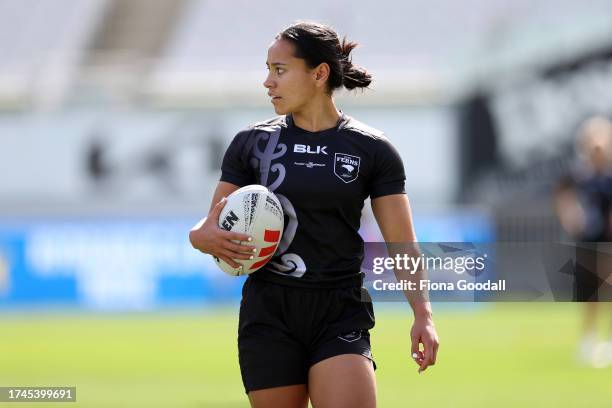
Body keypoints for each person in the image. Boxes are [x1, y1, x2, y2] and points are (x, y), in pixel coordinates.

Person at [190, 21, 439, 407]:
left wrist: (422, 313)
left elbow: (402, 244)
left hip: (339, 311)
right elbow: (208, 227)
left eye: (279, 70)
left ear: (319, 74)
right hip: (269, 313)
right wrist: (200, 237)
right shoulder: (252, 143)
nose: (267, 82)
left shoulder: (372, 149)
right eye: (268, 70)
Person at [554, 116, 612, 368]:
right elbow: (563, 197)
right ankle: (589, 339)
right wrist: (569, 217)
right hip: (588, 239)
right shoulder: (579, 175)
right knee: (590, 292)